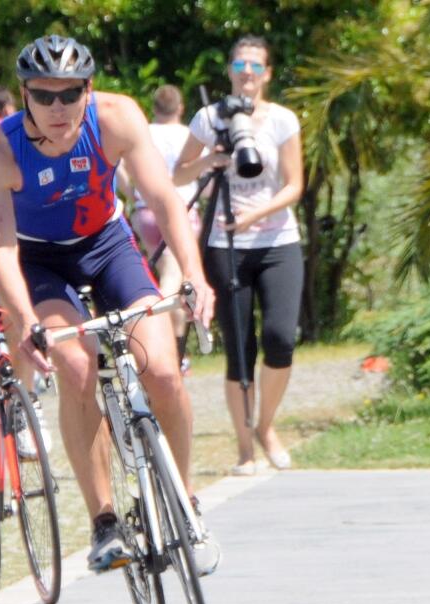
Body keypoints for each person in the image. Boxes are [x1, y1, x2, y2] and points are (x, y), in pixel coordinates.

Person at [0, 35, 216, 573]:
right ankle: (104, 520)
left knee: (164, 369)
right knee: (78, 365)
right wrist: (27, 319)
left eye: (70, 94)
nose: (58, 108)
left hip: (108, 245)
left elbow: (163, 200)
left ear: (89, 89)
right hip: (41, 262)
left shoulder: (115, 118)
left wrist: (196, 275)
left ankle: (185, 495)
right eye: (43, 95)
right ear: (25, 95)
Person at [173, 35, 304, 476]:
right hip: (226, 247)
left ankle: (266, 426)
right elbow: (178, 174)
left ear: (266, 74)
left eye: (256, 65)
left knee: (282, 337)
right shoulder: (209, 118)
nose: (247, 71)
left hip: (277, 241)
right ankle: (245, 447)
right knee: (239, 350)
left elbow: (294, 184)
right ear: (230, 70)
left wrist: (257, 215)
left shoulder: (282, 120)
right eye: (240, 63)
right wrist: (211, 159)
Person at [117, 84, 203, 373]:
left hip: (145, 212)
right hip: (181, 211)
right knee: (172, 281)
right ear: (180, 109)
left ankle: (175, 353)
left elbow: (119, 166)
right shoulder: (187, 135)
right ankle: (155, 333)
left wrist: (133, 194)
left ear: (154, 108)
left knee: (170, 277)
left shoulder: (145, 132)